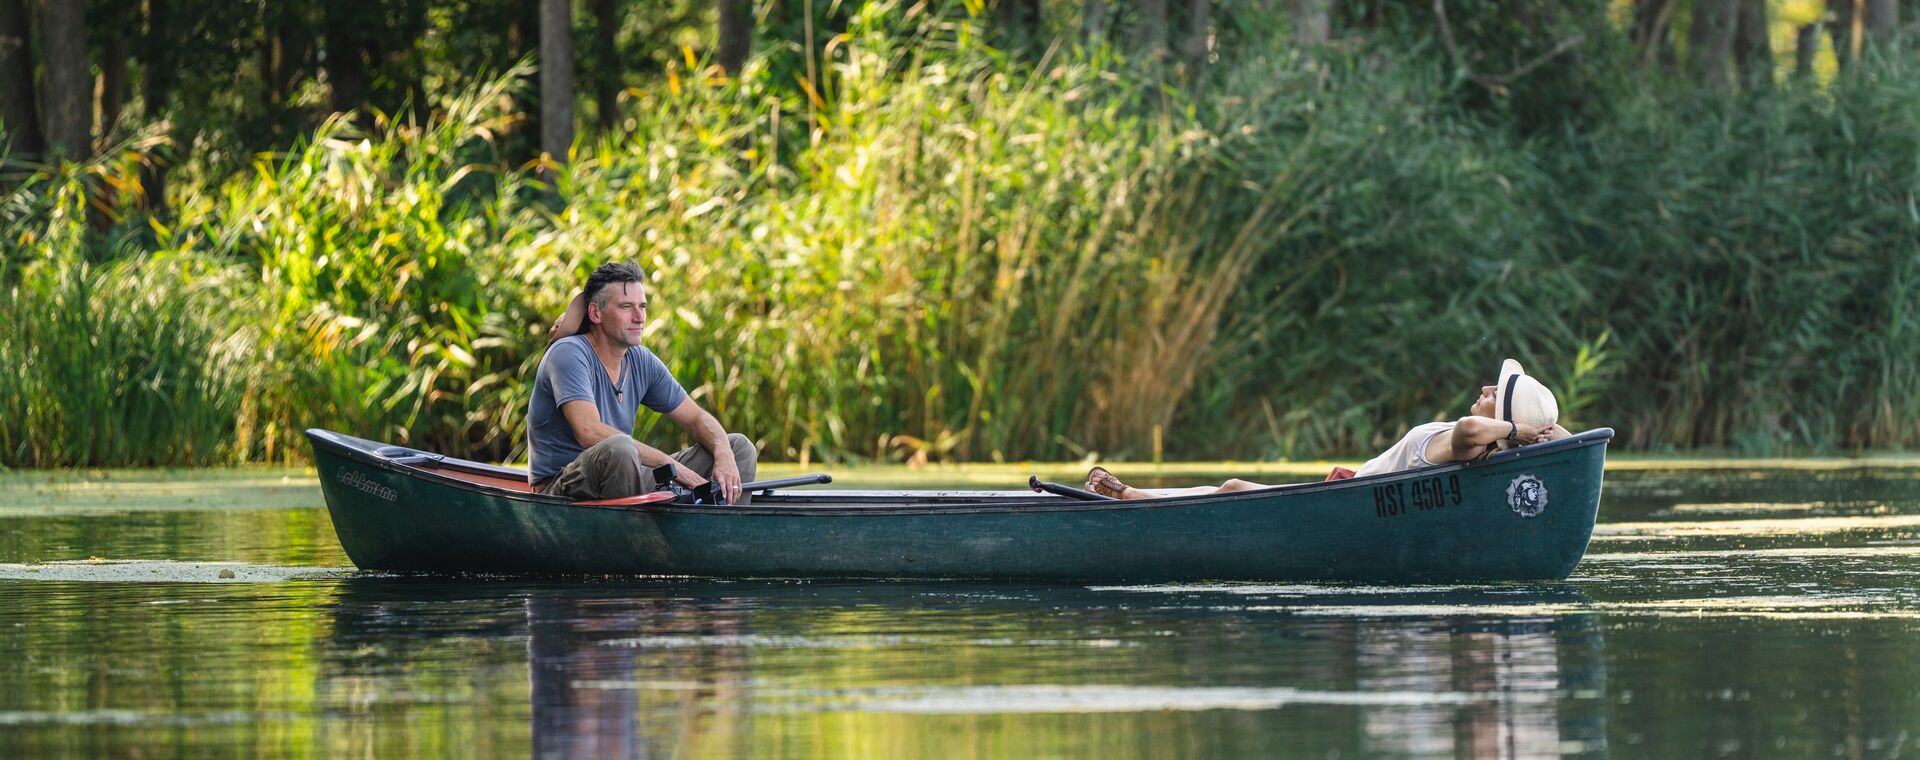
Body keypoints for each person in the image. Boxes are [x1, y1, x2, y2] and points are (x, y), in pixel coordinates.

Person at [1084, 359, 1568, 500]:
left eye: (1494, 391)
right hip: (1344, 496)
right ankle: (1133, 496)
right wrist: (1529, 430)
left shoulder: (1464, 440)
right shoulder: (1487, 446)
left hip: (1343, 501)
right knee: (1231, 486)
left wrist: (1521, 428)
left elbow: (1468, 429)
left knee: (1232, 487)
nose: (1484, 386)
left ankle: (1129, 497)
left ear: (1500, 418)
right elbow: (1556, 441)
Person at [527, 261, 757, 503]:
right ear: (596, 313)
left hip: (624, 473)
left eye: (643, 307)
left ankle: (723, 536)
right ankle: (635, 538)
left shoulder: (641, 360)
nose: (639, 318)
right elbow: (588, 431)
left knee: (738, 447)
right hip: (561, 487)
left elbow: (696, 418)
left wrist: (723, 453)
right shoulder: (568, 353)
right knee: (620, 448)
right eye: (626, 307)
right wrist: (671, 465)